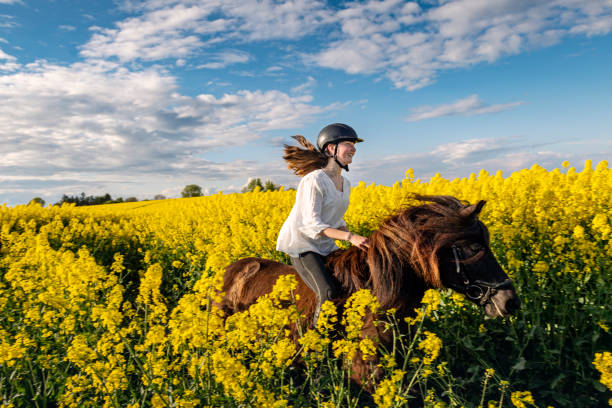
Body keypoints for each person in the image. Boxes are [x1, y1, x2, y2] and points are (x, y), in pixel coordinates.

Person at [276, 123, 370, 326]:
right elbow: (312, 225)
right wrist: (350, 238)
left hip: (327, 246)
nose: (353, 149)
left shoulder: (345, 183)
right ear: (331, 148)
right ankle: (317, 343)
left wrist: (358, 240)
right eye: (348, 144)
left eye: (354, 145)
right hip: (305, 247)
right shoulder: (314, 180)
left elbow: (336, 220)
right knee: (327, 292)